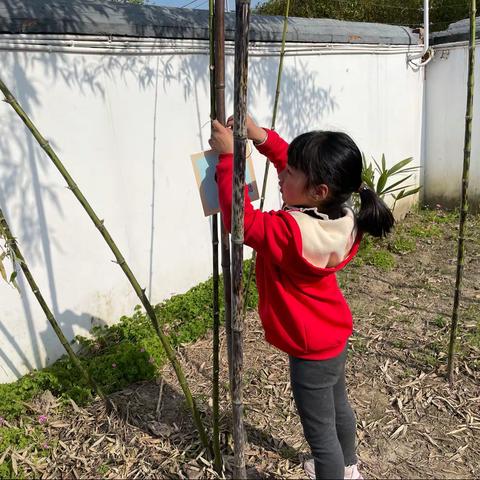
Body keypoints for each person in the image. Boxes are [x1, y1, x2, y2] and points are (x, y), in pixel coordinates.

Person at [209, 116, 394, 480]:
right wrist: (263, 138)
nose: (282, 174)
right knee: (339, 407)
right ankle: (350, 467)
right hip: (333, 335)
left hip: (309, 352)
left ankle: (334, 473)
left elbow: (241, 223)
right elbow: (291, 168)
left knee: (320, 436)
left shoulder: (288, 233)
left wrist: (231, 158)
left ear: (319, 190)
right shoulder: (341, 217)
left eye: (290, 173)